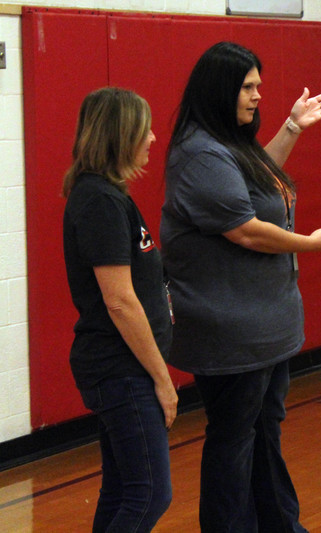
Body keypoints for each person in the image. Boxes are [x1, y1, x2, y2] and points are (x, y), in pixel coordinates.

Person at [160, 42, 321, 533]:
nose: (257, 96)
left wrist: (291, 128)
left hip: (266, 324)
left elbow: (257, 183)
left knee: (263, 431)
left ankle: (281, 525)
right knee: (235, 437)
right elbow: (244, 227)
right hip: (230, 331)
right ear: (222, 89)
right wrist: (308, 244)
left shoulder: (229, 145)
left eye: (259, 86)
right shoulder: (199, 153)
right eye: (248, 87)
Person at [62, 87, 177, 532]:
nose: (151, 138)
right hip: (120, 370)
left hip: (122, 370)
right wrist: (163, 380)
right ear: (120, 134)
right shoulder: (100, 202)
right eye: (143, 129)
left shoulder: (110, 196)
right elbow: (119, 300)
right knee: (150, 493)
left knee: (122, 489)